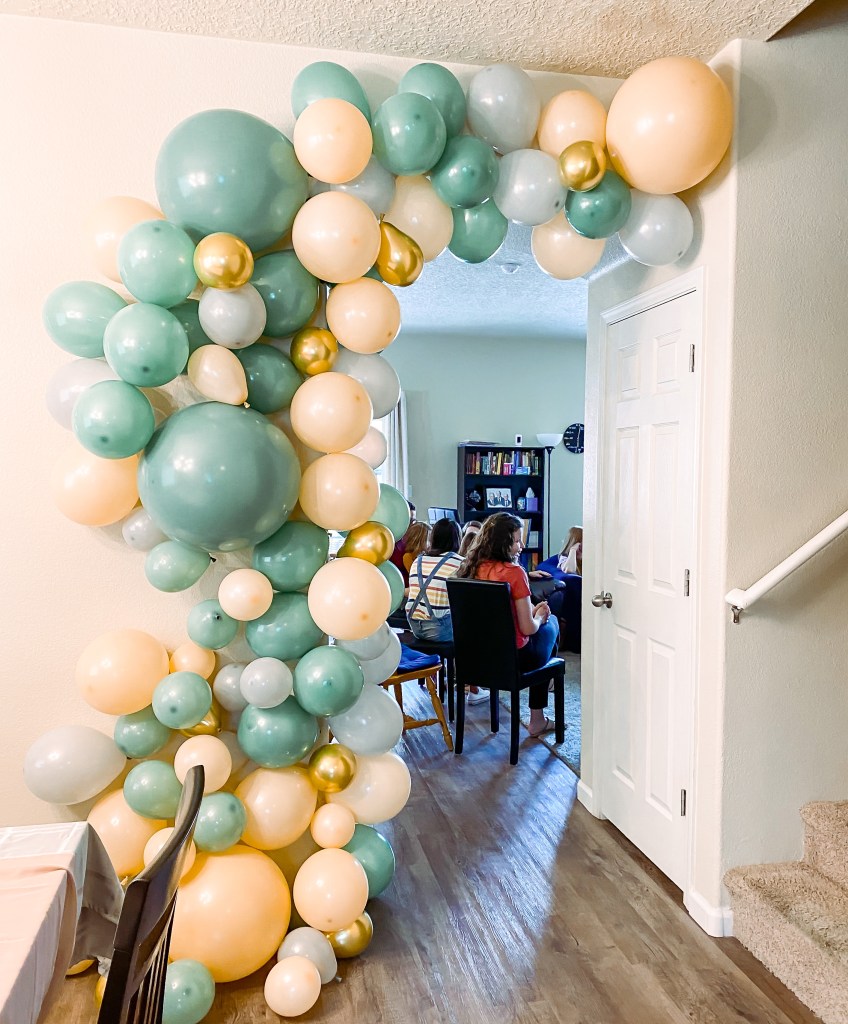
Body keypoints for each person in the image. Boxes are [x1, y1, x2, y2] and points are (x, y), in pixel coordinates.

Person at [457, 512, 560, 736]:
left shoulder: (470, 569)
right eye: (516, 541)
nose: (521, 545)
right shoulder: (514, 573)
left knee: (542, 630)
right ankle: (537, 717)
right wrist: (541, 616)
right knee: (552, 625)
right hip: (514, 659)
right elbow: (527, 629)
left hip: (476, 658)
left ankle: (545, 684)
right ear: (503, 544)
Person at [407, 518, 487, 705]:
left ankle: (440, 679)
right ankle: (474, 688)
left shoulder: (418, 560)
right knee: (474, 626)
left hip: (415, 626)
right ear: (457, 538)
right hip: (439, 629)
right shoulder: (459, 562)